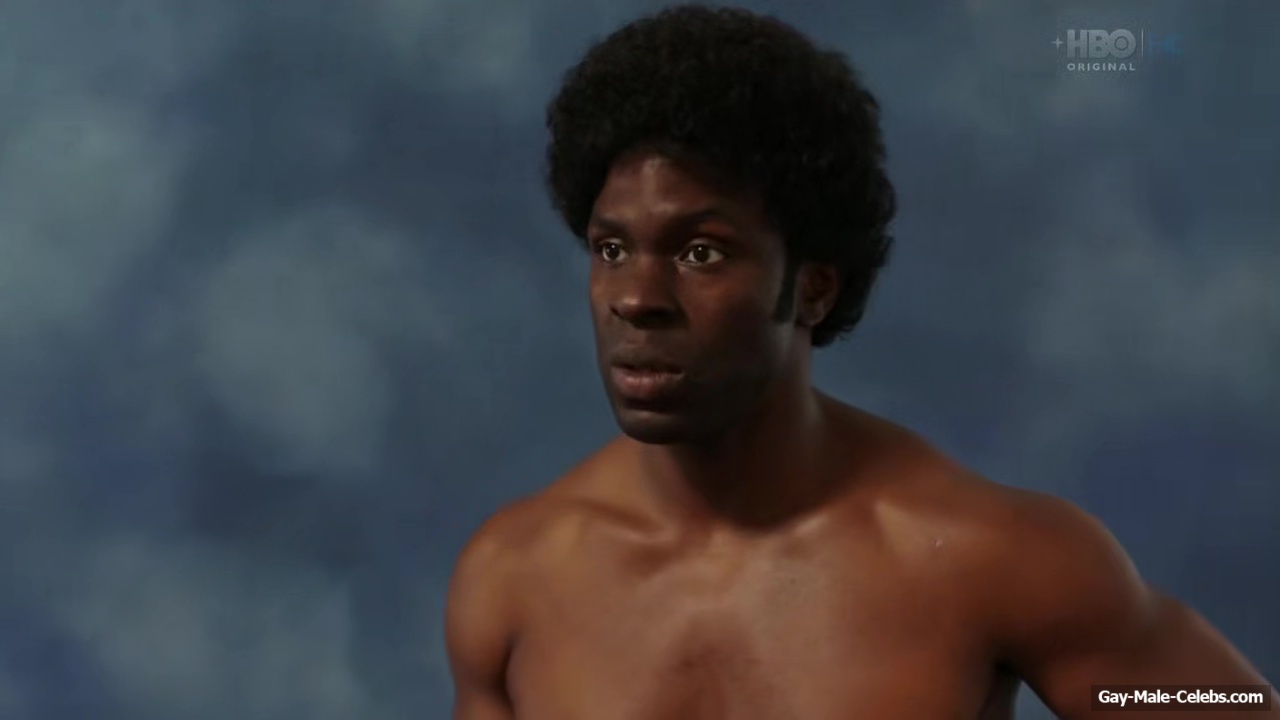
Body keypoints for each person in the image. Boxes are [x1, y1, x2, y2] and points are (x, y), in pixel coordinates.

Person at [445, 5, 1277, 718]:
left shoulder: (991, 559)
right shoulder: (515, 577)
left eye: (702, 252)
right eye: (612, 248)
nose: (636, 297)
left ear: (811, 289)